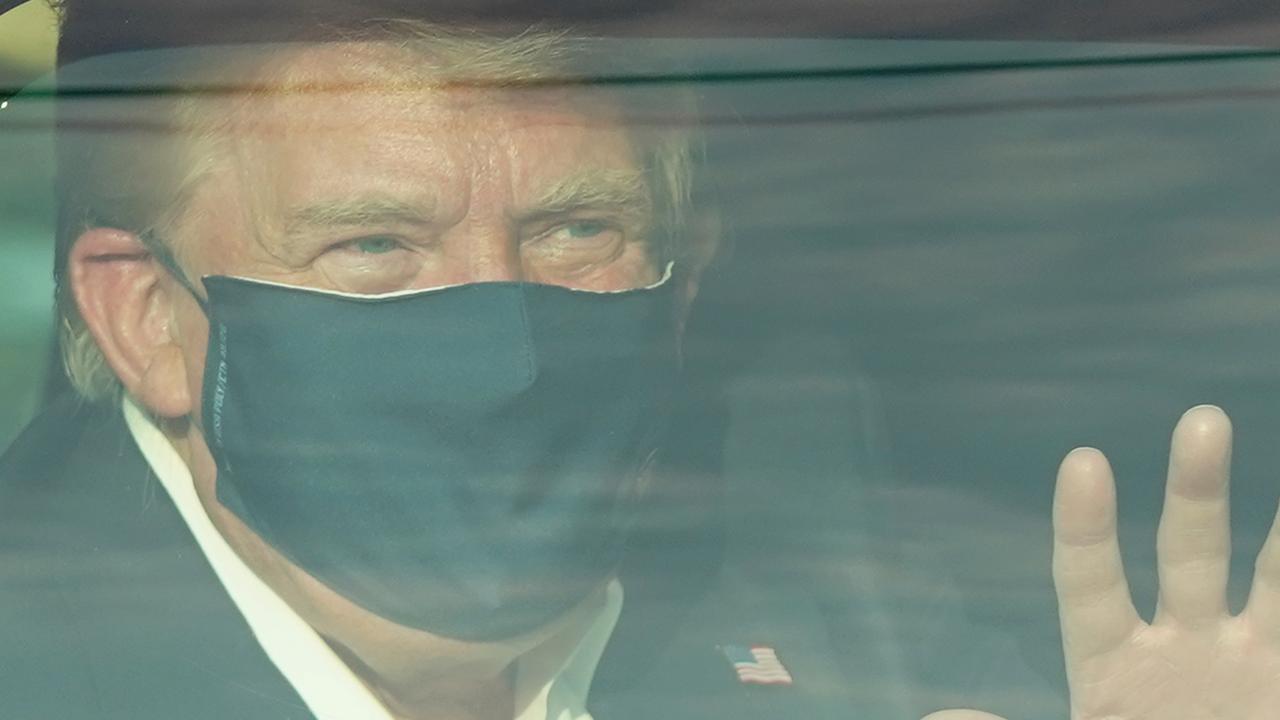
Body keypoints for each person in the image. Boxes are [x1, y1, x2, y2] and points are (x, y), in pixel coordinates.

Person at [4, 3, 1280, 719]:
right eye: (373, 244)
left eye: (576, 230)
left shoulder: (854, 620)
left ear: (681, 283)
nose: (501, 342)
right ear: (146, 318)